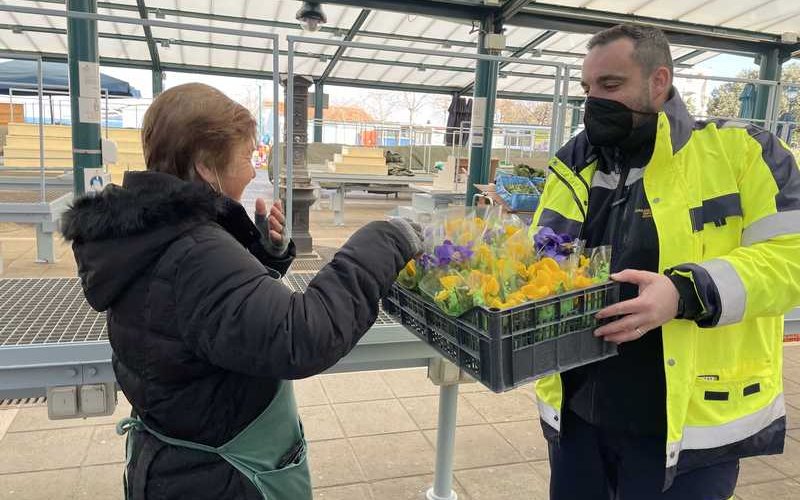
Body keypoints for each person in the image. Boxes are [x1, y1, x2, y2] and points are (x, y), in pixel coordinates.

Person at [61, 83, 422, 500]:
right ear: (205, 166)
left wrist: (261, 254)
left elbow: (202, 313)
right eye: (246, 158)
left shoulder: (145, 233)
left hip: (170, 463)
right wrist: (385, 240)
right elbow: (301, 335)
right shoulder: (194, 252)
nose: (253, 172)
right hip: (219, 480)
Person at [530, 24, 800, 499]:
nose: (594, 100)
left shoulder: (741, 151)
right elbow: (541, 253)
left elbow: (791, 258)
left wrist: (685, 292)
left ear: (659, 82)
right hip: (578, 421)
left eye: (611, 86)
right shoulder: (574, 161)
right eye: (587, 88)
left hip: (686, 431)